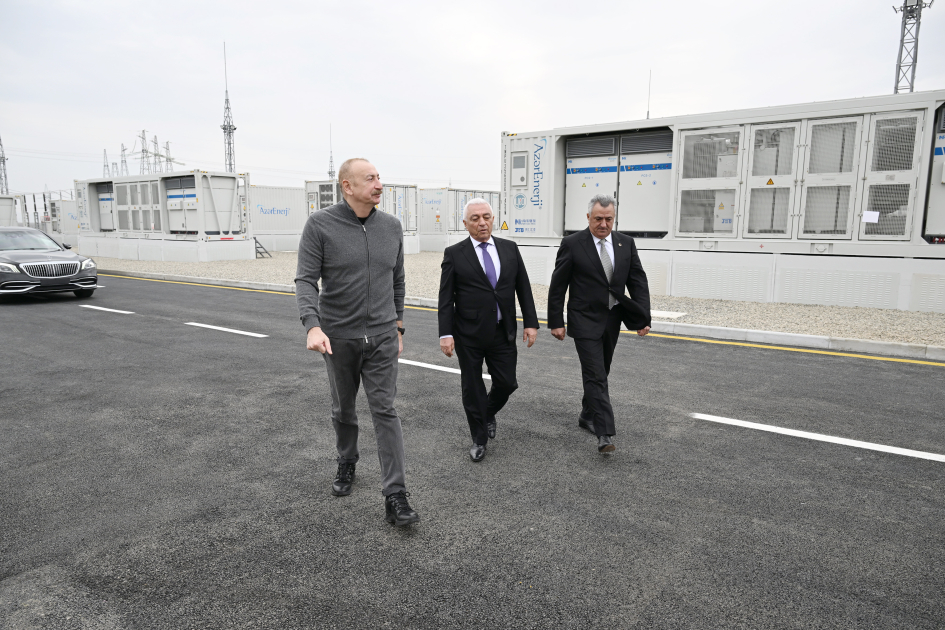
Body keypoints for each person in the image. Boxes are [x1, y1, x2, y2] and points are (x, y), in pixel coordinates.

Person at [296, 157, 420, 527]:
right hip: (338, 338)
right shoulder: (320, 224)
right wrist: (312, 325)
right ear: (347, 186)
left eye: (379, 177)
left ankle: (396, 495)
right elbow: (306, 280)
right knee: (344, 410)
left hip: (382, 336)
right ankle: (347, 459)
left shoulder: (391, 227)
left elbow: (397, 280)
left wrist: (398, 326)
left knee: (385, 410)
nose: (379, 184)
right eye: (370, 178)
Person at [547, 194, 652, 454]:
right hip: (583, 319)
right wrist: (556, 321)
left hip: (612, 318)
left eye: (608, 219)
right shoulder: (572, 244)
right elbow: (558, 285)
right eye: (598, 219)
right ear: (588, 217)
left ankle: (586, 414)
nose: (603, 224)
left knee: (601, 370)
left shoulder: (625, 243)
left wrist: (643, 317)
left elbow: (637, 281)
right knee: (595, 374)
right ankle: (604, 433)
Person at [438, 198, 539, 462]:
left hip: (502, 331)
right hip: (468, 333)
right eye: (475, 218)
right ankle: (479, 439)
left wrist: (531, 322)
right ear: (465, 223)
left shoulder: (509, 248)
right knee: (472, 388)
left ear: (493, 219)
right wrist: (445, 334)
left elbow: (523, 287)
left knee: (507, 383)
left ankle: (487, 412)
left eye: (486, 217)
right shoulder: (455, 253)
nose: (482, 222)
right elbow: (445, 298)